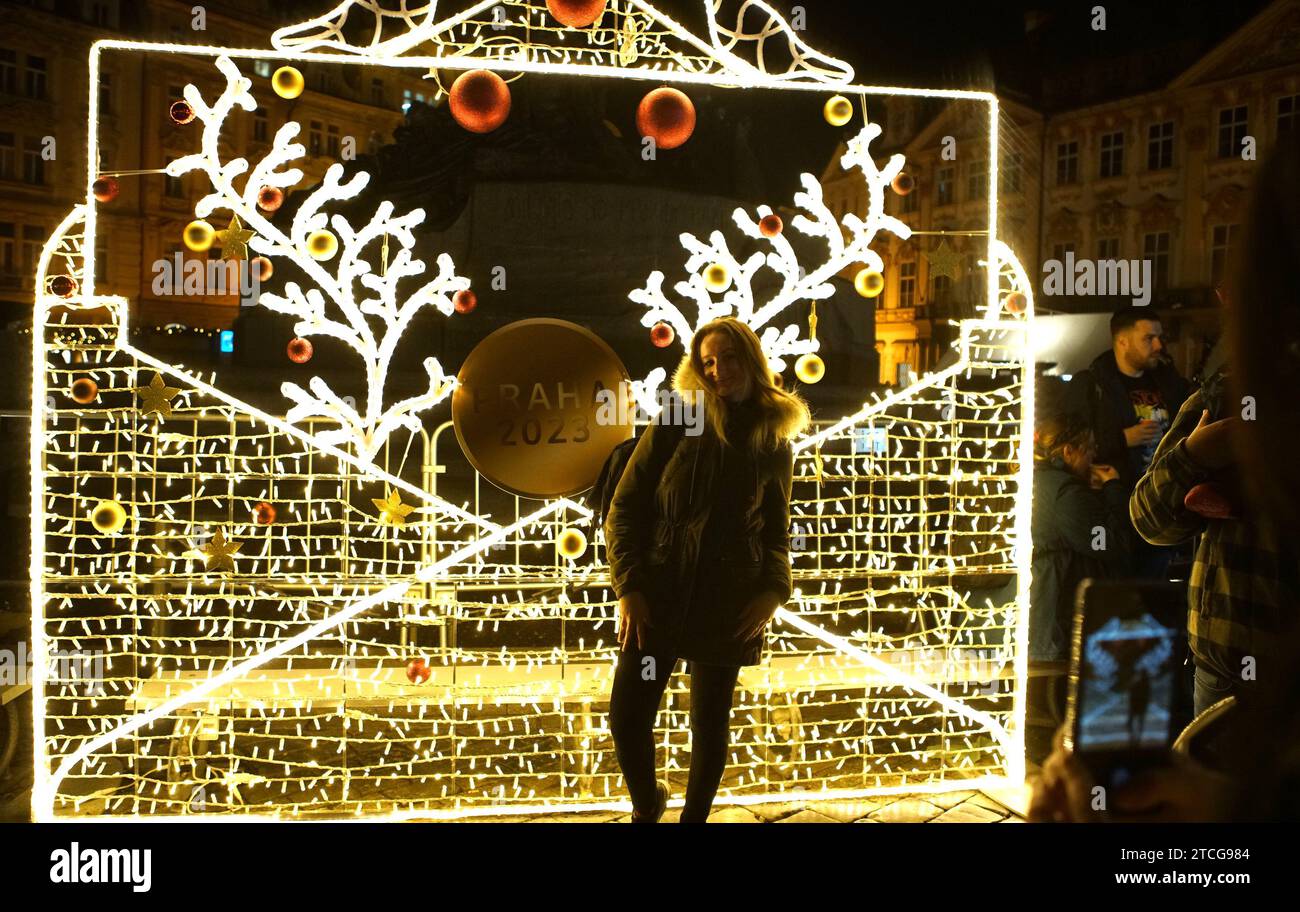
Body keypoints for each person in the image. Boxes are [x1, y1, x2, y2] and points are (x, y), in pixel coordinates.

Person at [1030, 136, 1300, 823]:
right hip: (1224, 652)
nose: (1159, 347)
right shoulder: (1215, 389)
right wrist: (1201, 454)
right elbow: (1146, 512)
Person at [603, 317, 811, 823]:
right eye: (707, 361)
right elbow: (625, 507)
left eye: (729, 358)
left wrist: (774, 592)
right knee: (628, 716)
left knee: (709, 725)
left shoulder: (771, 436)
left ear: (751, 360)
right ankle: (646, 803)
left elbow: (777, 531)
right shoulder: (679, 417)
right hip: (659, 591)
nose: (718, 371)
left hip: (729, 601)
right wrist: (629, 586)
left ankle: (694, 819)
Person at [1025, 408, 1134, 763]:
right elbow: (1113, 545)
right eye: (1088, 449)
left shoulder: (1034, 481)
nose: (1092, 458)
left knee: (1042, 706)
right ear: (1068, 450)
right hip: (1057, 617)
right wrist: (1115, 488)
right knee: (1057, 706)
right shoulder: (1066, 496)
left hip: (1038, 614)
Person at [1068, 306, 1190, 579]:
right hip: (1118, 507)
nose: (1159, 345)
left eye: (1160, 337)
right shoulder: (1093, 385)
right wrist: (1124, 438)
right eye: (1149, 338)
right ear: (1122, 341)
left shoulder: (1168, 382)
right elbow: (1073, 443)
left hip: (1161, 504)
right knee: (1120, 592)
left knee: (1154, 592)